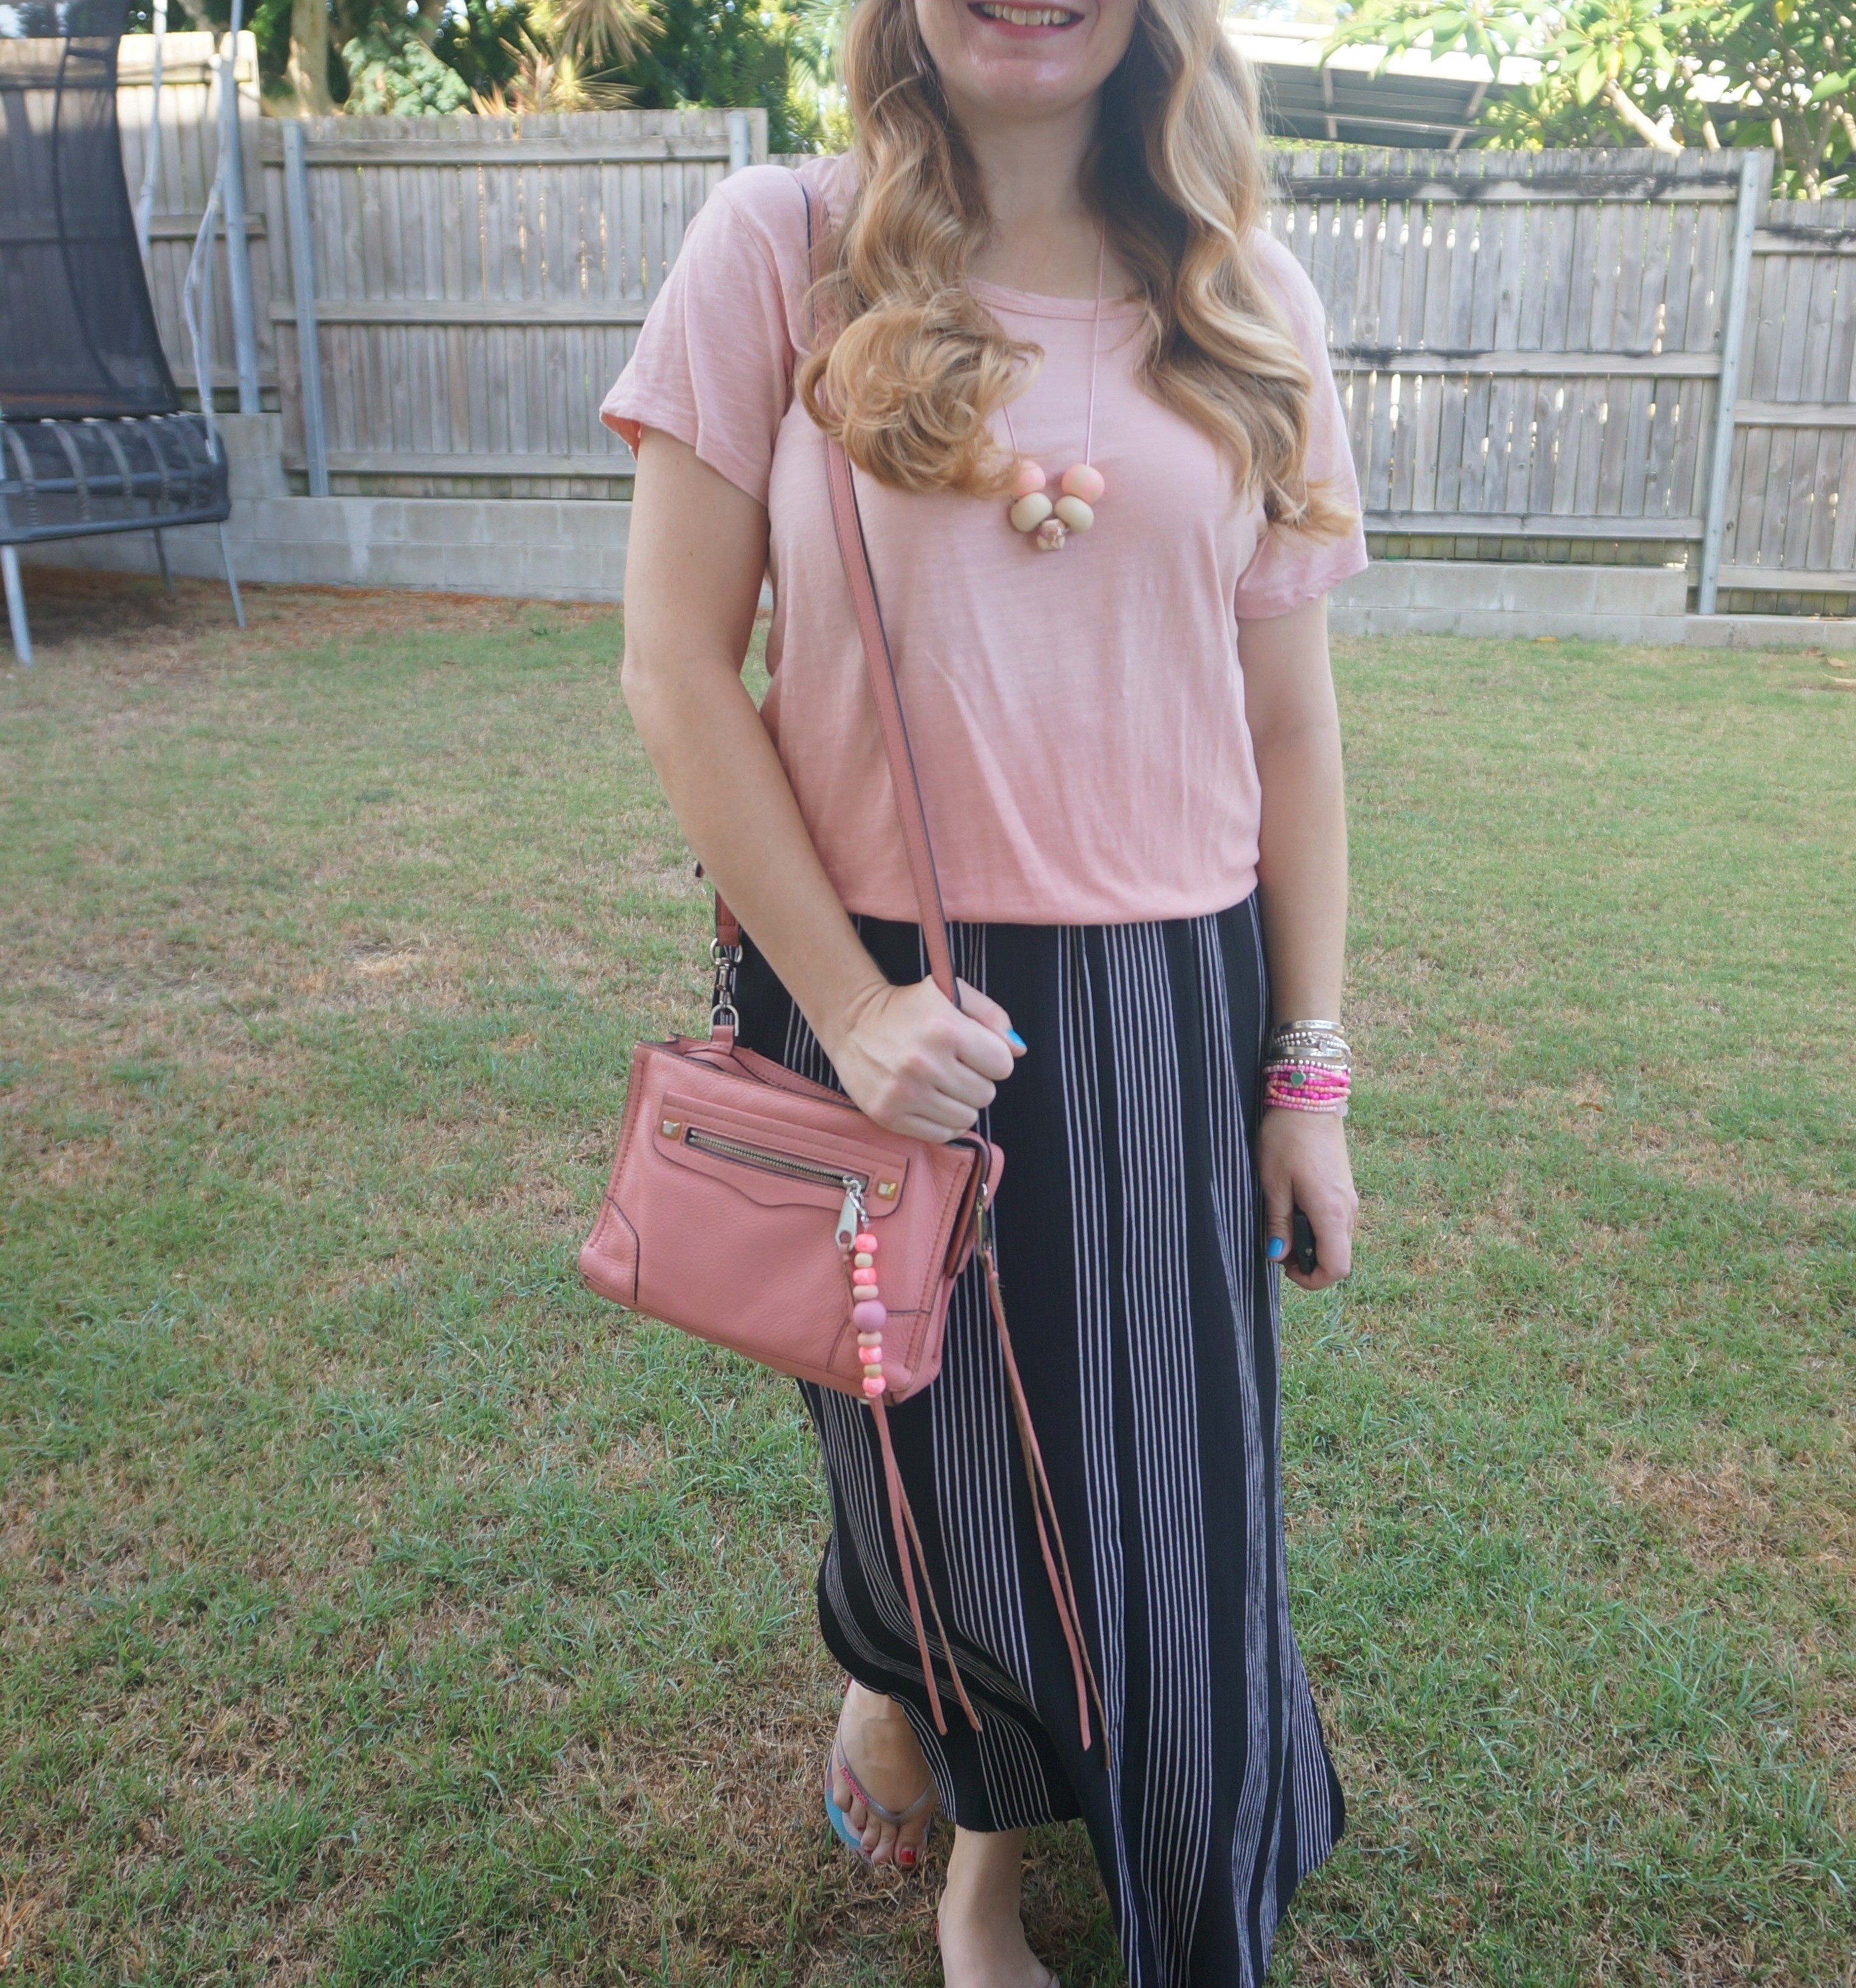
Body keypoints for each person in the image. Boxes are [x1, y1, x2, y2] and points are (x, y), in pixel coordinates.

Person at [602, 0, 1365, 1978]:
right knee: (927, 1471)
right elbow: (678, 664)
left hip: (1167, 1013)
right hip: (876, 993)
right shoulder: (783, 248)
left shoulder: (1242, 294)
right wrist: (851, 1011)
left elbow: (1293, 731)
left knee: (1163, 1499)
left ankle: (1062, 1804)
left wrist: (1308, 1076)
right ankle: (974, 1827)